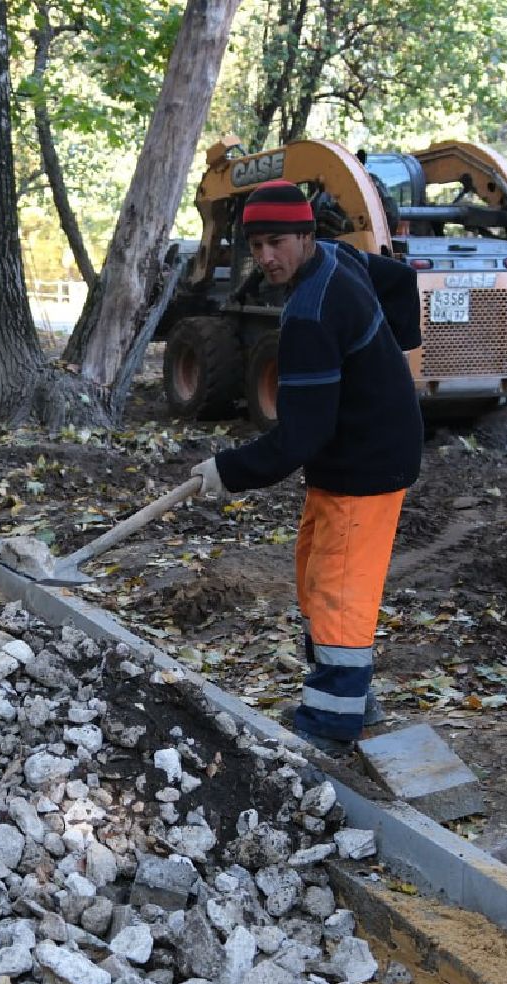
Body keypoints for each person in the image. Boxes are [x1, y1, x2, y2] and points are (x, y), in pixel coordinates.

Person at [191, 179, 423, 756]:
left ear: (305, 234)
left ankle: (328, 731)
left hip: (365, 465)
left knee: (341, 591)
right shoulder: (338, 258)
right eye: (257, 246)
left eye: (277, 242)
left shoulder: (310, 315)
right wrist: (388, 361)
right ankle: (350, 696)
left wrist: (228, 470)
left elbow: (300, 436)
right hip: (349, 455)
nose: (267, 258)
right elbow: (401, 278)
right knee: (314, 574)